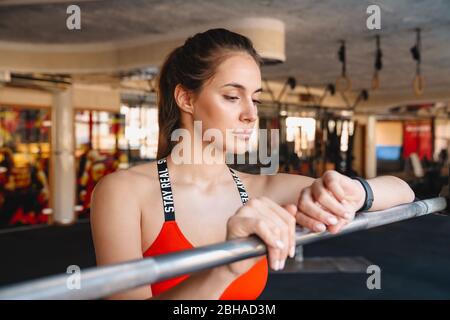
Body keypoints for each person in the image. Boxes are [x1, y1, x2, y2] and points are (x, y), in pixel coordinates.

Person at [90, 28, 415, 300]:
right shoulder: (123, 192)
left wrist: (356, 192)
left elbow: (402, 191)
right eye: (233, 97)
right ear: (186, 99)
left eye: (255, 99)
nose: (251, 114)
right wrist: (227, 266)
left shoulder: (260, 190)